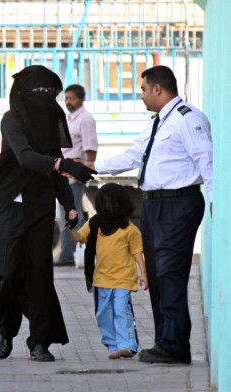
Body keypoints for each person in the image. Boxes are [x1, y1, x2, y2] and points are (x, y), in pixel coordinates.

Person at [0, 65, 96, 362]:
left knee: (40, 275)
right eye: (40, 92)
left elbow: (55, 167)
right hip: (9, 206)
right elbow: (25, 156)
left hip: (41, 208)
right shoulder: (11, 119)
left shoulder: (50, 120)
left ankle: (39, 341)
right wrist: (61, 165)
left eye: (51, 93)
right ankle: (6, 329)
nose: (46, 97)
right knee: (7, 272)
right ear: (24, 93)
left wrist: (70, 205)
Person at [77, 65, 213, 364]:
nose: (140, 95)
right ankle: (166, 342)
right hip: (154, 204)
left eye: (142, 89)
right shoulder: (158, 123)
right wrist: (89, 167)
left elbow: (206, 160)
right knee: (157, 272)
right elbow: (132, 156)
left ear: (157, 89)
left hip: (179, 203)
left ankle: (175, 346)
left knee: (169, 273)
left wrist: (215, 200)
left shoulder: (187, 119)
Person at [67, 183, 148, 359]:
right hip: (100, 279)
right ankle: (113, 346)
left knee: (121, 309)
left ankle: (127, 345)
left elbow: (137, 252)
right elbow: (79, 238)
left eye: (114, 203)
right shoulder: (94, 224)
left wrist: (143, 273)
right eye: (106, 203)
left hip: (123, 279)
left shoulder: (130, 229)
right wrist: (71, 226)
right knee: (103, 314)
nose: (110, 207)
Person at [54, 84, 98, 267]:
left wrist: (85, 171)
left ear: (81, 99)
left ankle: (69, 255)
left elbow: (90, 148)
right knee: (67, 213)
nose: (69, 102)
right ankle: (69, 254)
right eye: (67, 98)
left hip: (75, 176)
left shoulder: (85, 119)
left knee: (71, 214)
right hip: (65, 174)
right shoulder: (71, 118)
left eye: (72, 98)